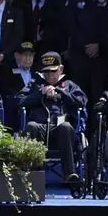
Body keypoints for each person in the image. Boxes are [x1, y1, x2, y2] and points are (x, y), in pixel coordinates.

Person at [17, 52, 88, 183]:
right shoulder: (34, 84)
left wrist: (61, 93)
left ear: (60, 69)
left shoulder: (69, 85)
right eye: (46, 72)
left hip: (60, 128)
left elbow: (81, 102)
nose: (49, 75)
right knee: (31, 126)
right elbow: (19, 102)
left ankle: (69, 174)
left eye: (53, 71)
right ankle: (32, 174)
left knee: (66, 127)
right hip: (40, 127)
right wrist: (40, 93)